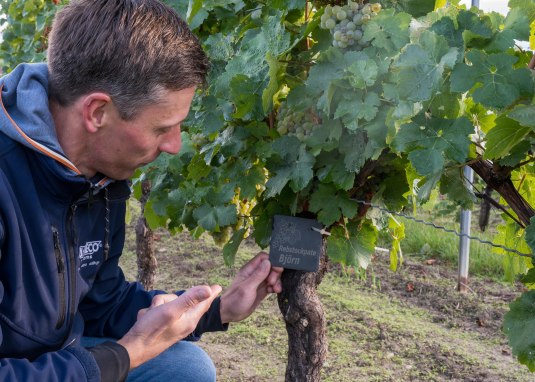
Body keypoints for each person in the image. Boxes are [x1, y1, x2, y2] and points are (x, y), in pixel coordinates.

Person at [0, 0, 283, 381]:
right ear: (97, 112)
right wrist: (126, 354)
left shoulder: (101, 177)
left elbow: (101, 303)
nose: (175, 145)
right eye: (162, 128)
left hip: (58, 358)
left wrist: (219, 309)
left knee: (185, 367)